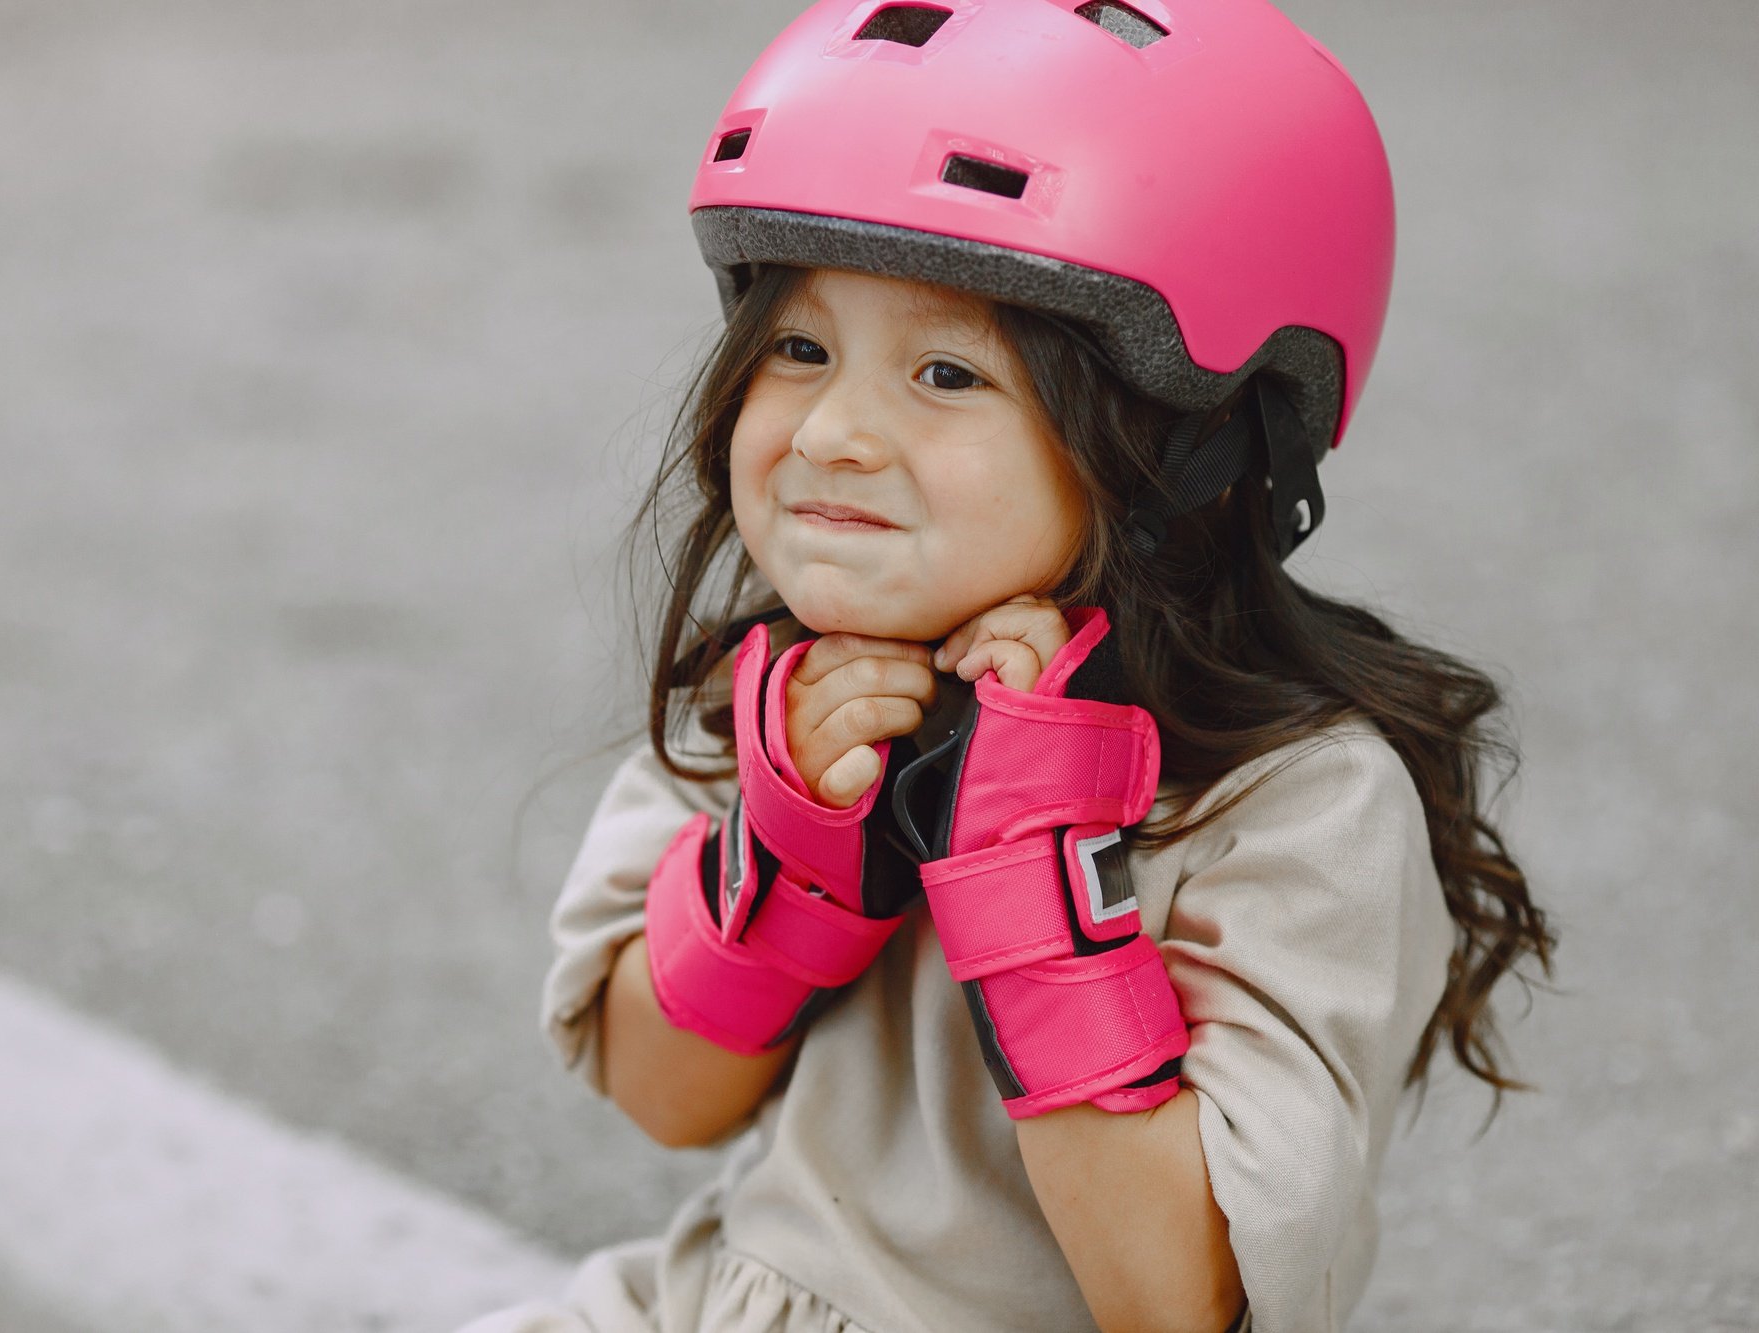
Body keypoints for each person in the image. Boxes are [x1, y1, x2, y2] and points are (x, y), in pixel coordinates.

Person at [466, 0, 1552, 1329]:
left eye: (943, 371)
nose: (837, 432)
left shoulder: (1296, 800)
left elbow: (1179, 1297)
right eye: (800, 348)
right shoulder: (796, 689)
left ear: (1193, 447)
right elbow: (661, 1092)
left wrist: (1035, 879)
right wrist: (791, 852)